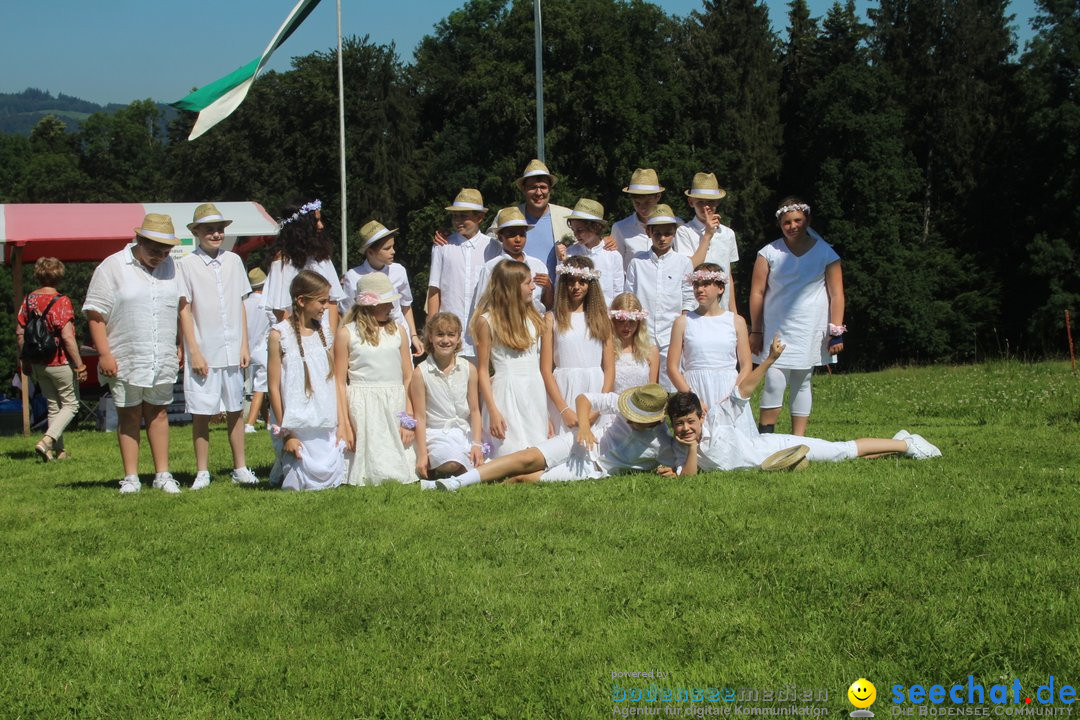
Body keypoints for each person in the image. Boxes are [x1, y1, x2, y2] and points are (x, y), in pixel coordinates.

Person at [665, 335, 941, 475]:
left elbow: (745, 388)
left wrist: (770, 359)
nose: (686, 428)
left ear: (702, 417)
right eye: (680, 424)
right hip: (774, 466)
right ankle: (897, 446)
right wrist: (691, 447)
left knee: (840, 451)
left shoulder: (719, 418)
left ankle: (907, 444)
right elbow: (689, 478)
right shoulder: (681, 447)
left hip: (777, 448)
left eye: (691, 421)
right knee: (838, 462)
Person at [83, 214, 183, 494]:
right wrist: (104, 354)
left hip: (160, 353)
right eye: (154, 251)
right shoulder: (112, 267)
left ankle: (162, 474)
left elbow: (180, 308)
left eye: (166, 251)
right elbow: (95, 313)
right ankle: (131, 477)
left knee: (159, 412)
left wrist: (179, 344)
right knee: (128, 413)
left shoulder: (173, 268)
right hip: (125, 352)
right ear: (139, 240)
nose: (160, 257)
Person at [434, 383, 678, 491]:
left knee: (524, 479)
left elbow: (682, 464)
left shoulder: (663, 444)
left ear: (655, 420)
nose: (629, 418)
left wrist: (672, 472)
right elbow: (584, 398)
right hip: (579, 441)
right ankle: (457, 482)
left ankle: (485, 482)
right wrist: (583, 426)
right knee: (526, 457)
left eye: (637, 418)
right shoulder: (621, 403)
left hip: (591, 468)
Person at [177, 203, 259, 489]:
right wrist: (193, 350)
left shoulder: (234, 262)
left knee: (236, 408)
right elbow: (184, 309)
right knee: (202, 411)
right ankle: (202, 471)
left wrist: (245, 345)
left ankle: (240, 466)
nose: (215, 234)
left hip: (233, 347)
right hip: (205, 348)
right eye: (209, 229)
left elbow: (240, 304)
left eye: (220, 229)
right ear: (197, 232)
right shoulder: (186, 264)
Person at [748, 197, 845, 436]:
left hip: (810, 327)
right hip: (776, 328)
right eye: (787, 222)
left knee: (802, 381)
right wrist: (756, 330)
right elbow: (757, 293)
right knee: (773, 379)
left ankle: (798, 440)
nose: (793, 226)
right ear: (780, 224)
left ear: (807, 220)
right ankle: (766, 437)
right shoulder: (768, 253)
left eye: (798, 221)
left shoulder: (826, 253)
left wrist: (836, 332)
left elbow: (837, 294)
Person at [335, 272, 418, 486]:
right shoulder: (347, 334)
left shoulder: (398, 331)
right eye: (387, 303)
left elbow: (409, 376)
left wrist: (408, 417)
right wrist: (344, 423)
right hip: (363, 405)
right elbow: (339, 382)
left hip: (394, 404)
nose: (392, 308)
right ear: (371, 305)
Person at [266, 270, 344, 492]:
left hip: (324, 420)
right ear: (301, 300)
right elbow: (273, 386)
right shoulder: (279, 335)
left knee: (331, 475)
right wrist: (287, 432)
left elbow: (334, 380)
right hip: (296, 423)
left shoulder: (325, 332)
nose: (325, 307)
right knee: (295, 482)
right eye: (321, 301)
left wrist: (341, 423)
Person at [472, 259, 547, 458]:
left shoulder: (533, 317)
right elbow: (482, 370)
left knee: (538, 451)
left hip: (533, 388)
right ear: (512, 287)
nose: (533, 287)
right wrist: (493, 411)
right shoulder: (487, 321)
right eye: (528, 283)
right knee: (510, 451)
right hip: (506, 392)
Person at [666, 263, 753, 431]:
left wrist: (734, 394)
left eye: (705, 284)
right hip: (695, 388)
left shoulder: (736, 321)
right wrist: (693, 399)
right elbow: (672, 367)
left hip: (728, 388)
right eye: (696, 284)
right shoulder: (683, 322)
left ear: (720, 288)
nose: (700, 289)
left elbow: (746, 365)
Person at [15, 257, 87, 461]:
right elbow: (67, 336)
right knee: (72, 404)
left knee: (54, 406)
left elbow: (20, 333)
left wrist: (25, 361)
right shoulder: (61, 301)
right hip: (58, 360)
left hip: (38, 362)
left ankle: (59, 452)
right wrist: (80, 365)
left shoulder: (28, 300)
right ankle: (47, 441)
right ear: (59, 276)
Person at [409, 312, 484, 487]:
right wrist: (422, 454)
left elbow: (474, 410)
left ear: (458, 338)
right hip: (437, 433)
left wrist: (477, 443)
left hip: (464, 431)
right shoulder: (421, 373)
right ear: (430, 336)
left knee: (479, 461)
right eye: (440, 334)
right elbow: (420, 417)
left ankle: (459, 475)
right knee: (451, 462)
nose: (445, 340)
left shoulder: (468, 369)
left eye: (451, 335)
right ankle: (448, 470)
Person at [626, 204, 696, 391]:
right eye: (657, 233)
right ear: (649, 232)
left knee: (671, 383)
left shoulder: (683, 263)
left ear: (674, 233)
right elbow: (630, 298)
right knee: (643, 383)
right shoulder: (637, 262)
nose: (662, 238)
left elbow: (688, 298)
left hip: (671, 333)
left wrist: (683, 329)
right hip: (644, 333)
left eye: (667, 233)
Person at [542, 256, 614, 433]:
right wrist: (564, 409)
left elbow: (610, 368)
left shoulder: (602, 318)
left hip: (596, 389)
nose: (576, 287)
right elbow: (545, 369)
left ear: (591, 284)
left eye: (582, 281)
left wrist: (599, 407)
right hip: (563, 390)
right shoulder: (552, 319)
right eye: (571, 281)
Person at [426, 188, 500, 360]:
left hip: (481, 331)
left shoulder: (493, 247)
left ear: (479, 218)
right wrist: (431, 328)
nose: (458, 221)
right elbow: (434, 289)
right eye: (455, 216)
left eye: (463, 216)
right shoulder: (442, 246)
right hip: (449, 333)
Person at [340, 220, 423, 356]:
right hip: (369, 340)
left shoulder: (398, 271)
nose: (393, 251)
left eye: (393, 246)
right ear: (370, 252)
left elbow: (406, 305)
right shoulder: (353, 276)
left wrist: (413, 335)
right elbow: (348, 313)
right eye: (386, 248)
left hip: (398, 335)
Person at [262, 199, 346, 330]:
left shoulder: (322, 257)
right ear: (301, 228)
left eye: (320, 220)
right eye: (315, 222)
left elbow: (332, 302)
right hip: (295, 333)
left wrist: (331, 338)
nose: (321, 226)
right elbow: (280, 310)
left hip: (324, 333)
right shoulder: (283, 260)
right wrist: (301, 338)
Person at [673, 173, 739, 312]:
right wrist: (708, 235)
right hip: (695, 307)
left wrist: (733, 311)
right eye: (700, 202)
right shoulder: (684, 231)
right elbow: (688, 269)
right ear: (691, 202)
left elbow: (728, 274)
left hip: (722, 308)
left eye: (711, 202)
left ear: (718, 202)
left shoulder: (727, 233)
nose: (706, 207)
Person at [473, 207, 551, 313]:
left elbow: (548, 305)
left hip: (535, 325)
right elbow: (481, 306)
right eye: (511, 234)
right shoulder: (491, 267)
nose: (518, 239)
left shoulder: (538, 265)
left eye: (522, 234)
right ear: (501, 238)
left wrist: (549, 287)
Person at [564, 198, 624, 306]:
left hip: (605, 313)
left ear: (595, 227)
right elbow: (562, 286)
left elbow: (618, 290)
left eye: (580, 230)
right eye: (573, 230)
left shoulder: (613, 256)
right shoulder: (570, 253)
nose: (576, 235)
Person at [613, 168, 669, 270]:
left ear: (658, 196)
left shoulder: (674, 224)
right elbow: (616, 265)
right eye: (637, 203)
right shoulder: (620, 228)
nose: (642, 208)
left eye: (647, 203)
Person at [608, 293, 660, 392]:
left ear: (639, 322)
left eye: (631, 321)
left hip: (641, 404)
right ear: (613, 321)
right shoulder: (607, 349)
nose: (626, 327)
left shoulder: (650, 351)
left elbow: (653, 391)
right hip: (611, 404)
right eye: (621, 321)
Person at [243, 267, 271, 433]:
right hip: (263, 350)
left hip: (247, 350)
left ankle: (267, 420)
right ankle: (250, 424)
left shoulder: (244, 304)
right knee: (261, 388)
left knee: (259, 387)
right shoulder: (267, 304)